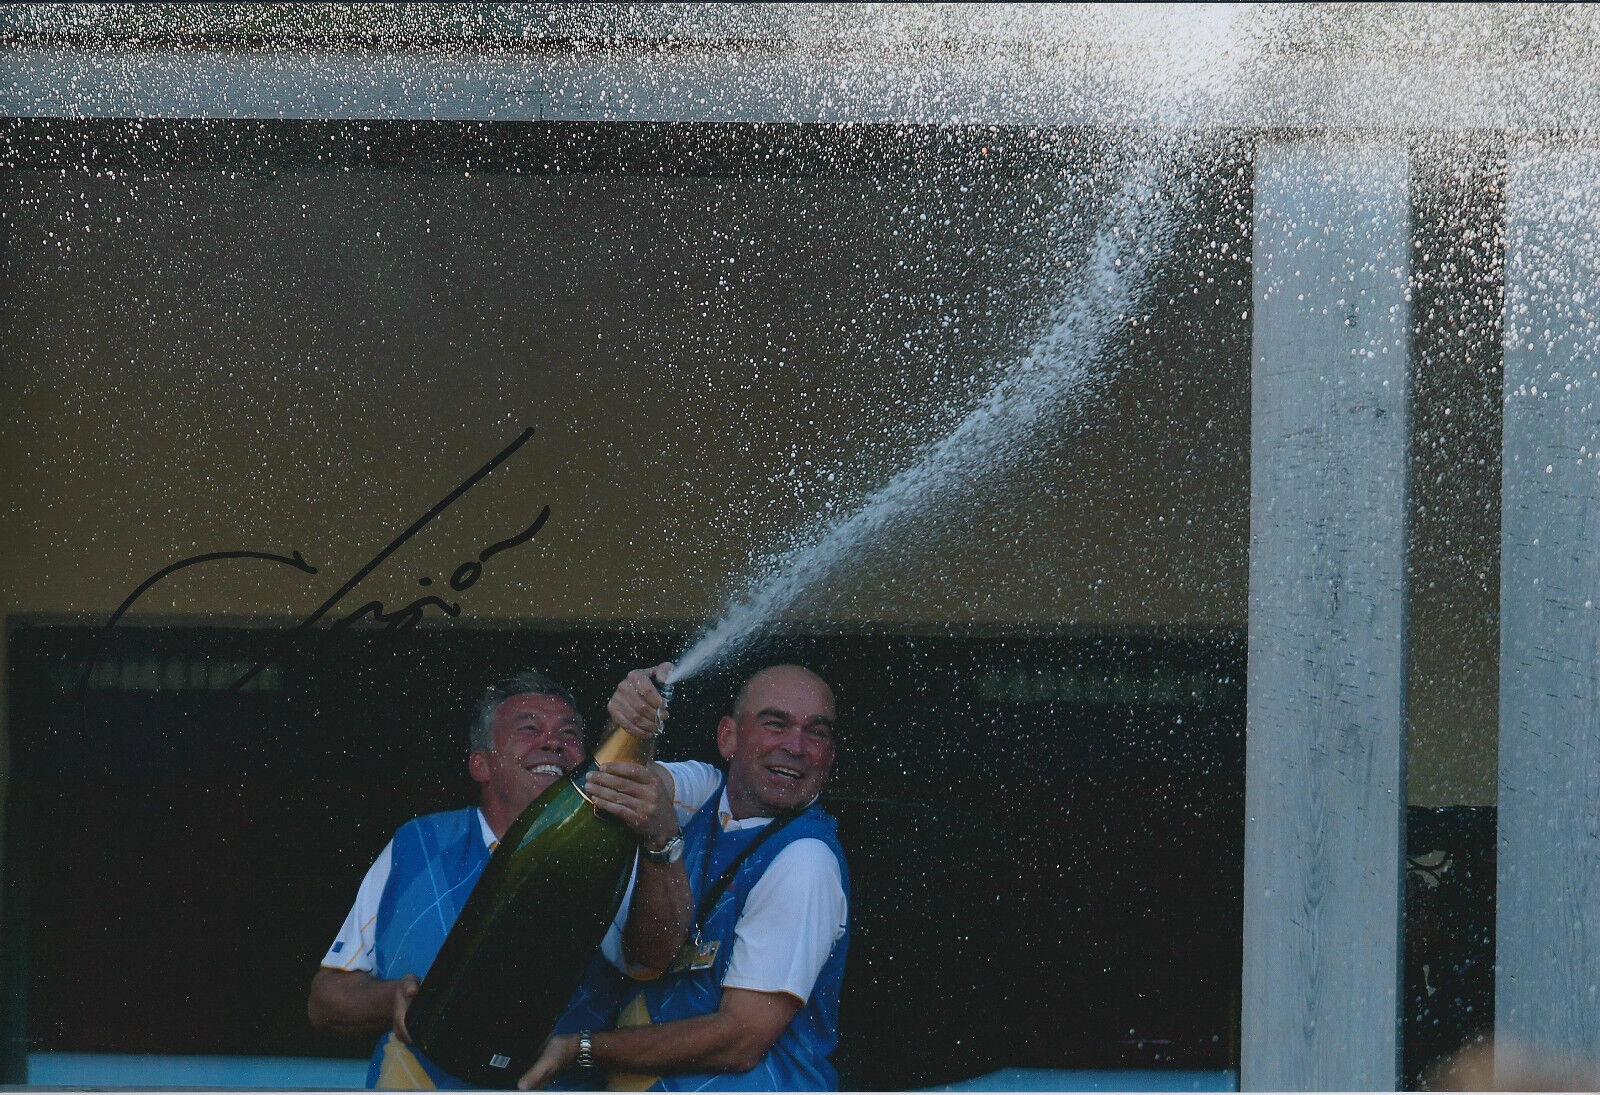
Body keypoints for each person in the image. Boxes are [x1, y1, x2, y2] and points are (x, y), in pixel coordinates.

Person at [308, 668, 686, 1089]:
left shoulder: (612, 846)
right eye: (529, 729)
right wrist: (391, 999)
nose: (553, 743)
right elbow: (326, 999)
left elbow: (653, 959)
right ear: (480, 764)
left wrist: (660, 842)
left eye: (570, 734)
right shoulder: (417, 843)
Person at [522, 662, 851, 1092]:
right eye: (776, 723)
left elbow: (739, 1041)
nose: (796, 746)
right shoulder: (708, 791)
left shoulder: (806, 860)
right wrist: (632, 724)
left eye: (817, 732)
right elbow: (615, 785)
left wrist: (578, 1049)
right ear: (727, 737)